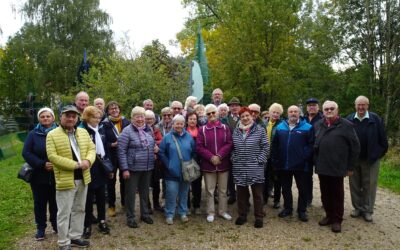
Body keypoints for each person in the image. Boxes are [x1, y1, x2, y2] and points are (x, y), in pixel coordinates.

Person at [46, 105, 96, 249]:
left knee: (80, 209)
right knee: (64, 212)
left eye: (74, 116)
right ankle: (63, 242)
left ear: (77, 118)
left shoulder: (83, 132)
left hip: (83, 177)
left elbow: (92, 149)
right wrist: (75, 165)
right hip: (66, 179)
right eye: (67, 115)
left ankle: (75, 236)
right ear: (60, 116)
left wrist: (88, 161)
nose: (71, 118)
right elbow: (52, 156)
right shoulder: (52, 134)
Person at [314, 100, 360, 233]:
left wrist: (351, 167)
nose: (329, 111)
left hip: (338, 167)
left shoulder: (346, 125)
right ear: (323, 111)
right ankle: (328, 216)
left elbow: (355, 147)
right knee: (325, 193)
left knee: (337, 194)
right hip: (322, 166)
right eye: (326, 109)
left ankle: (337, 220)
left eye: (331, 109)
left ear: (337, 110)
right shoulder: (319, 125)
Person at [346, 96, 388, 222]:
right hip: (354, 159)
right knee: (354, 185)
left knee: (369, 186)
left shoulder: (375, 119)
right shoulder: (349, 119)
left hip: (371, 160)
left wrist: (377, 155)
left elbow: (383, 141)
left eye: (363, 105)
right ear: (355, 106)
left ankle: (368, 210)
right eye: (358, 105)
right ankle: (357, 208)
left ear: (367, 106)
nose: (361, 107)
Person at [271, 105, 314, 222]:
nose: (293, 113)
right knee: (285, 188)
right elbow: (275, 145)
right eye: (291, 111)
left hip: (302, 165)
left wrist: (304, 157)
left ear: (299, 113)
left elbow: (311, 145)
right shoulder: (280, 127)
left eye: (295, 111)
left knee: (303, 189)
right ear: (287, 113)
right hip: (284, 164)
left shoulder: (308, 127)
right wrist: (275, 160)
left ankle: (302, 211)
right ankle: (288, 208)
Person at [22, 107, 58, 241]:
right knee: (39, 203)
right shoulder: (33, 134)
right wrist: (42, 164)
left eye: (48, 116)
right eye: (42, 116)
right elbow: (26, 152)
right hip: (39, 175)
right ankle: (41, 228)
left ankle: (56, 224)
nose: (45, 118)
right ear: (39, 119)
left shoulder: (60, 132)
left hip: (56, 174)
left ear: (53, 118)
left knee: (55, 202)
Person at [118, 106, 156, 228]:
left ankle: (144, 214)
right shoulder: (127, 131)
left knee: (145, 193)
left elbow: (152, 143)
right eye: (137, 116)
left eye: (142, 116)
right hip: (132, 168)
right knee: (130, 194)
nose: (140, 119)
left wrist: (154, 150)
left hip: (147, 167)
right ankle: (130, 217)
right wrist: (124, 169)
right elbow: (121, 151)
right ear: (132, 118)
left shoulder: (149, 129)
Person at [231, 107, 268, 228]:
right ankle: (242, 215)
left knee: (257, 194)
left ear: (252, 116)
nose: (245, 118)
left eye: (247, 115)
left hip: (255, 166)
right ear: (240, 118)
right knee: (241, 193)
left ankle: (259, 217)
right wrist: (234, 158)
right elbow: (232, 148)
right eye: (242, 117)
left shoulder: (259, 129)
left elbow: (265, 146)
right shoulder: (236, 131)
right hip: (240, 166)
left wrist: (260, 161)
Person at [79, 106, 112, 238]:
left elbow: (106, 147)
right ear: (87, 117)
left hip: (101, 167)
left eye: (99, 117)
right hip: (89, 167)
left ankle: (102, 220)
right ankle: (87, 224)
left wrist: (110, 168)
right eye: (94, 117)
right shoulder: (81, 131)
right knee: (87, 198)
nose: (97, 120)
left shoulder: (101, 129)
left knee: (101, 196)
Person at [197, 104, 233, 223]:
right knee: (210, 190)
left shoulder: (224, 127)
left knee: (223, 190)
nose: (211, 115)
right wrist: (211, 157)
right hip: (209, 164)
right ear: (206, 116)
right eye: (209, 113)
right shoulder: (202, 129)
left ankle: (223, 211)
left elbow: (229, 143)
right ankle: (210, 212)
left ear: (217, 114)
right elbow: (199, 147)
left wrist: (219, 155)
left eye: (213, 112)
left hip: (223, 163)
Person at [158, 115, 196, 225]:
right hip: (171, 172)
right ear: (173, 124)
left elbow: (194, 151)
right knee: (171, 193)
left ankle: (182, 212)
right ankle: (169, 214)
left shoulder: (189, 137)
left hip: (186, 171)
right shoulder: (167, 137)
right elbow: (161, 152)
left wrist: (191, 163)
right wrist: (168, 164)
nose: (179, 125)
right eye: (177, 123)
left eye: (181, 123)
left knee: (184, 193)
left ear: (184, 124)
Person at [102, 101, 130, 217]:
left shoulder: (126, 122)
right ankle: (111, 205)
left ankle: (124, 202)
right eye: (111, 109)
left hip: (124, 155)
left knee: (124, 179)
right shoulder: (104, 124)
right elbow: (101, 141)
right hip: (111, 155)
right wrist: (111, 145)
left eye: (116, 108)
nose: (114, 110)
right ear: (108, 111)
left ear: (119, 109)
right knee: (111, 181)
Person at [303, 98, 324, 206]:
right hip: (306, 152)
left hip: (320, 153)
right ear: (307, 108)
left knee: (323, 177)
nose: (312, 107)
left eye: (314, 105)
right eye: (309, 105)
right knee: (306, 176)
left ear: (318, 107)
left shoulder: (323, 118)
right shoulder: (303, 119)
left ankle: (326, 200)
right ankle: (307, 199)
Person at [264, 103, 284, 208]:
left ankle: (276, 200)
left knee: (277, 180)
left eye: (278, 113)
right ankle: (264, 198)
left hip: (276, 157)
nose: (275, 114)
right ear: (269, 112)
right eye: (274, 112)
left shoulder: (282, 125)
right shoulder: (265, 123)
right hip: (265, 156)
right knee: (265, 179)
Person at [145, 110, 164, 212]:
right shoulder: (141, 129)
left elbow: (161, 140)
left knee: (156, 183)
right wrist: (153, 144)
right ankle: (147, 205)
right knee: (146, 184)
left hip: (156, 161)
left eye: (151, 119)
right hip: (145, 160)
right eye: (147, 118)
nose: (149, 120)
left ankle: (156, 204)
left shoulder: (156, 129)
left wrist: (154, 144)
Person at [185, 112, 202, 215]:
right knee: (186, 185)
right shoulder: (183, 131)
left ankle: (197, 205)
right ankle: (186, 206)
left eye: (194, 119)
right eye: (190, 119)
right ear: (187, 120)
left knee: (197, 185)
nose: (192, 121)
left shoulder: (201, 131)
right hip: (186, 162)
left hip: (198, 161)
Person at [226, 97, 242, 204]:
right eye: (232, 105)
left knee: (241, 173)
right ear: (229, 108)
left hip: (241, 150)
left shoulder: (244, 118)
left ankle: (243, 196)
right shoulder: (225, 119)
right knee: (230, 174)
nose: (235, 107)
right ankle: (232, 194)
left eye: (236, 105)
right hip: (229, 150)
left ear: (239, 107)